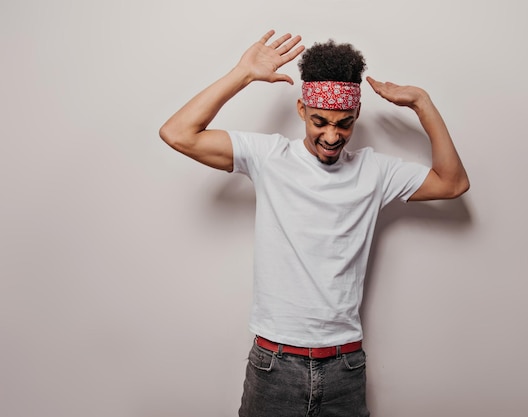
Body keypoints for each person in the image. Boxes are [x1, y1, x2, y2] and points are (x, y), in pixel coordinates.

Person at [160, 29, 469, 417]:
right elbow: (177, 133)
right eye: (320, 121)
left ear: (356, 116)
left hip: (345, 366)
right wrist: (242, 73)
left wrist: (423, 103)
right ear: (302, 110)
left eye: (344, 124)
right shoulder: (270, 157)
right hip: (274, 365)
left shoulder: (373, 171)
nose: (331, 135)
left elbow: (453, 182)